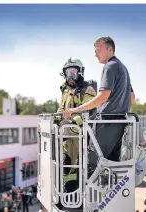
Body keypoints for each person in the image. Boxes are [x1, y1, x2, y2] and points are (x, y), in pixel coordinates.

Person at [62, 36, 136, 177]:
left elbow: (102, 96)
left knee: (90, 164)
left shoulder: (110, 66)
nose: (95, 54)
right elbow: (132, 97)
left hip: (107, 123)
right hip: (119, 123)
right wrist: (120, 106)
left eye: (98, 50)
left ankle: (85, 197)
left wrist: (75, 110)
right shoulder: (122, 67)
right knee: (111, 164)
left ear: (109, 49)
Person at [56, 57, 97, 189]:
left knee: (76, 166)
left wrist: (72, 122)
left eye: (73, 72)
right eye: (68, 73)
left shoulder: (87, 90)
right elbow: (61, 110)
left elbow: (89, 112)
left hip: (80, 135)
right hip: (66, 136)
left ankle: (74, 191)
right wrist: (56, 119)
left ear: (80, 72)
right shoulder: (65, 91)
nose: (70, 76)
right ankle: (66, 189)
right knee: (64, 164)